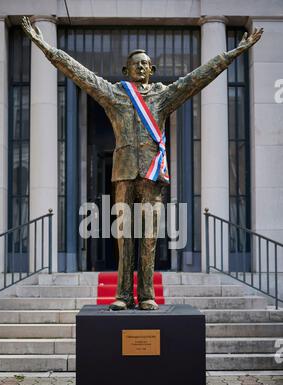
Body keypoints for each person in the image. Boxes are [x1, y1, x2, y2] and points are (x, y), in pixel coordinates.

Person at [21, 17, 263, 310]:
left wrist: (235, 53)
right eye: (135, 63)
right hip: (123, 175)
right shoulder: (115, 94)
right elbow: (79, 73)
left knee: (148, 238)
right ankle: (123, 295)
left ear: (152, 70)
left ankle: (146, 294)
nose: (140, 66)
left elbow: (199, 76)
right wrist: (44, 45)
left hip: (151, 178)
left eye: (145, 63)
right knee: (125, 239)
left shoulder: (164, 96)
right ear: (125, 70)